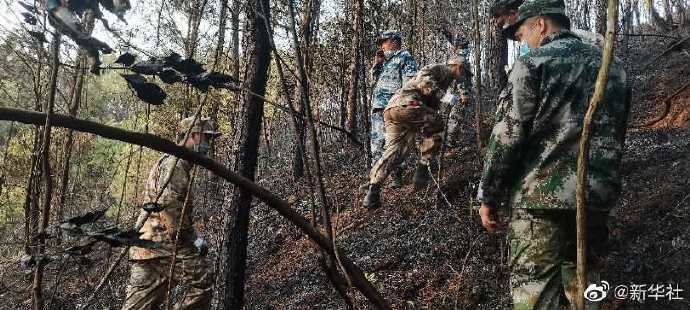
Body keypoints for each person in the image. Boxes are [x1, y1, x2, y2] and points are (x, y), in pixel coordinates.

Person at [476, 0, 631, 309]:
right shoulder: (612, 66)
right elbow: (617, 131)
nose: (522, 43)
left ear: (541, 24)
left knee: (536, 295)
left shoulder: (533, 64)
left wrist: (488, 194)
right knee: (586, 289)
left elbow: (509, 134)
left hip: (540, 202)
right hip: (594, 198)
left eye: (521, 35)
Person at [122, 116, 221, 310]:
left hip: (148, 248)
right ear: (193, 135)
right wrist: (193, 238)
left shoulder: (172, 162)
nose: (208, 144)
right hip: (162, 244)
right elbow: (171, 210)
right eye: (206, 138)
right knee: (204, 281)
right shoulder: (175, 165)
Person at [363, 59, 465, 209]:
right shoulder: (442, 69)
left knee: (397, 151)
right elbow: (424, 78)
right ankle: (422, 170)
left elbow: (431, 106)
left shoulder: (447, 80)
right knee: (438, 125)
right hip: (407, 105)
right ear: (457, 66)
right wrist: (444, 96)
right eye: (463, 72)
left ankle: (373, 191)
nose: (463, 76)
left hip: (392, 110)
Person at [366, 30, 418, 189]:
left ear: (395, 41)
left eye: (384, 41)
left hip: (393, 108)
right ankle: (375, 180)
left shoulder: (405, 57)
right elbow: (373, 79)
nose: (382, 45)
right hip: (378, 109)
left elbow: (410, 84)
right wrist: (377, 63)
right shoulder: (384, 61)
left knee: (393, 143)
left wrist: (405, 106)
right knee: (376, 144)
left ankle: (396, 176)